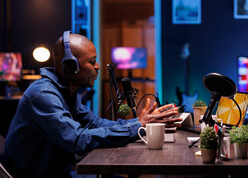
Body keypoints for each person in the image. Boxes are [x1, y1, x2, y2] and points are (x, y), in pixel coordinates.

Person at [4, 32, 182, 178]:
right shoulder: (43, 95)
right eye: (91, 61)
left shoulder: (68, 93)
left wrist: (140, 123)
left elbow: (95, 124)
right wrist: (138, 126)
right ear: (70, 66)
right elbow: (78, 140)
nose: (97, 67)